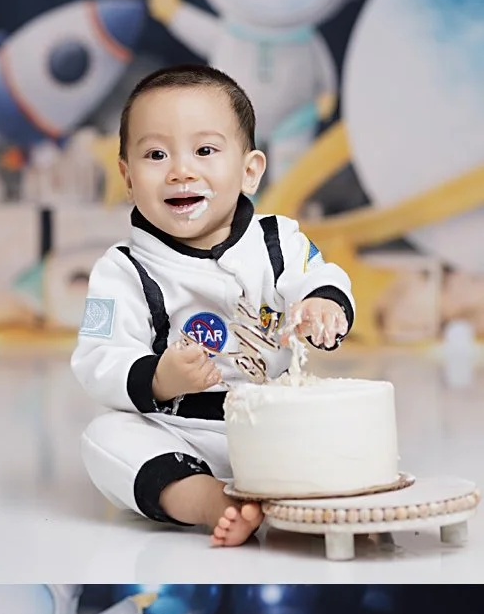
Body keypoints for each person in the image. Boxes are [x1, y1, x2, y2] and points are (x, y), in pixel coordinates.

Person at [72, 63, 353, 542]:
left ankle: (317, 494)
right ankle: (209, 499)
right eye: (156, 154)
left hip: (274, 425)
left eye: (205, 150)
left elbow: (320, 276)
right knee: (105, 438)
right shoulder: (122, 270)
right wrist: (160, 377)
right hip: (179, 432)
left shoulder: (277, 241)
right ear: (127, 176)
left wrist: (321, 305)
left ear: (249, 171)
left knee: (344, 420)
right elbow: (97, 358)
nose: (182, 171)